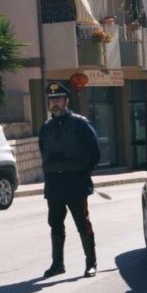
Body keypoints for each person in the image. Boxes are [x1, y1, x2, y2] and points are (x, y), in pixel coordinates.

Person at [38, 82, 101, 278]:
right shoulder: (46, 128)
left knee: (82, 223)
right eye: (51, 100)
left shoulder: (80, 124)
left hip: (75, 183)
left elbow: (95, 153)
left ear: (66, 101)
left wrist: (82, 173)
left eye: (58, 99)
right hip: (55, 185)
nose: (54, 103)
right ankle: (58, 264)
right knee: (55, 224)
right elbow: (44, 152)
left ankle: (91, 263)